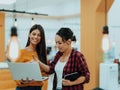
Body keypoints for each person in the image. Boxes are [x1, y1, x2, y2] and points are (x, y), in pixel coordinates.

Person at [14, 24, 47, 90]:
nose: (36, 37)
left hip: (38, 88)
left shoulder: (42, 54)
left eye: (39, 35)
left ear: (41, 38)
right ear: (29, 35)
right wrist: (22, 80)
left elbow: (45, 74)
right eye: (34, 34)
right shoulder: (21, 52)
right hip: (24, 88)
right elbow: (16, 75)